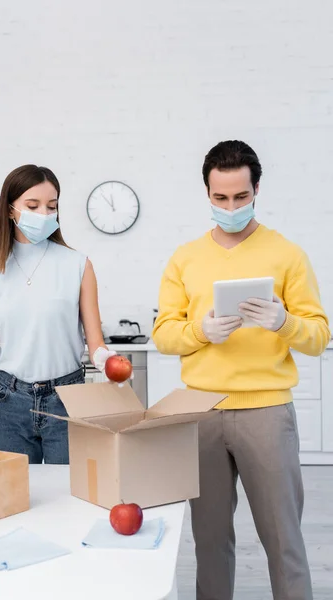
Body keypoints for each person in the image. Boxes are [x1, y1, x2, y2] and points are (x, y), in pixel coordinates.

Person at [152, 140, 330, 600]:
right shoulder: (185, 258)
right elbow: (164, 334)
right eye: (220, 198)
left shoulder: (287, 254)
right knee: (209, 541)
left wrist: (284, 322)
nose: (230, 207)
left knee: (283, 540)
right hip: (201, 412)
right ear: (207, 194)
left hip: (266, 413)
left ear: (257, 190)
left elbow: (319, 335)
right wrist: (200, 332)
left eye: (241, 197)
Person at [0, 164, 116, 463]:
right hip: (9, 404)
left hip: (68, 400)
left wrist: (107, 361)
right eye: (33, 206)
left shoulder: (78, 265)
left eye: (52, 206)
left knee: (67, 497)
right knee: (16, 498)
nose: (44, 215)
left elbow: (95, 343)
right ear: (10, 210)